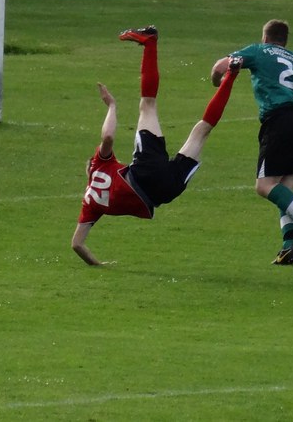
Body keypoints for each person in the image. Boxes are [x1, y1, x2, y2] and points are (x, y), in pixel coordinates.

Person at [72, 25, 239, 266]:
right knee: (147, 105)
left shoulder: (89, 206)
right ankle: (149, 42)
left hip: (165, 191)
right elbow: (108, 138)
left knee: (202, 131)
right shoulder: (100, 165)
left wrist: (98, 265)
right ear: (90, 165)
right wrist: (111, 106)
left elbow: (77, 244)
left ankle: (232, 75)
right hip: (144, 173)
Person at [210, 19, 293, 266]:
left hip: (279, 125)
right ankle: (288, 246)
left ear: (265, 38)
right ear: (285, 40)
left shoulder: (258, 50)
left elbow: (221, 66)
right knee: (284, 190)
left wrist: (216, 81)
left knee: (264, 186)